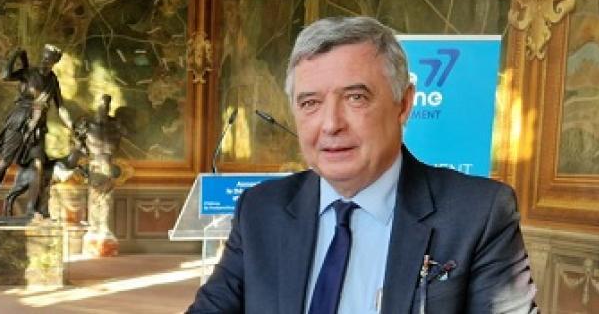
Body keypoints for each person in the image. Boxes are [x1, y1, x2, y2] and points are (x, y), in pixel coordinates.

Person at [188, 16, 537, 314]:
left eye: (356, 98)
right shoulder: (262, 209)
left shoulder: (479, 213)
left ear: (404, 105)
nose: (330, 124)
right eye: (310, 103)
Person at [0, 44, 74, 217]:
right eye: (44, 56)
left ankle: (31, 209)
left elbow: (61, 107)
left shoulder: (53, 80)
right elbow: (6, 75)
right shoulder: (29, 72)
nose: (45, 60)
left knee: (38, 165)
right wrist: (16, 54)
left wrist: (71, 125)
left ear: (54, 62)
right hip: (19, 120)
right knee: (5, 164)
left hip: (38, 127)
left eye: (49, 58)